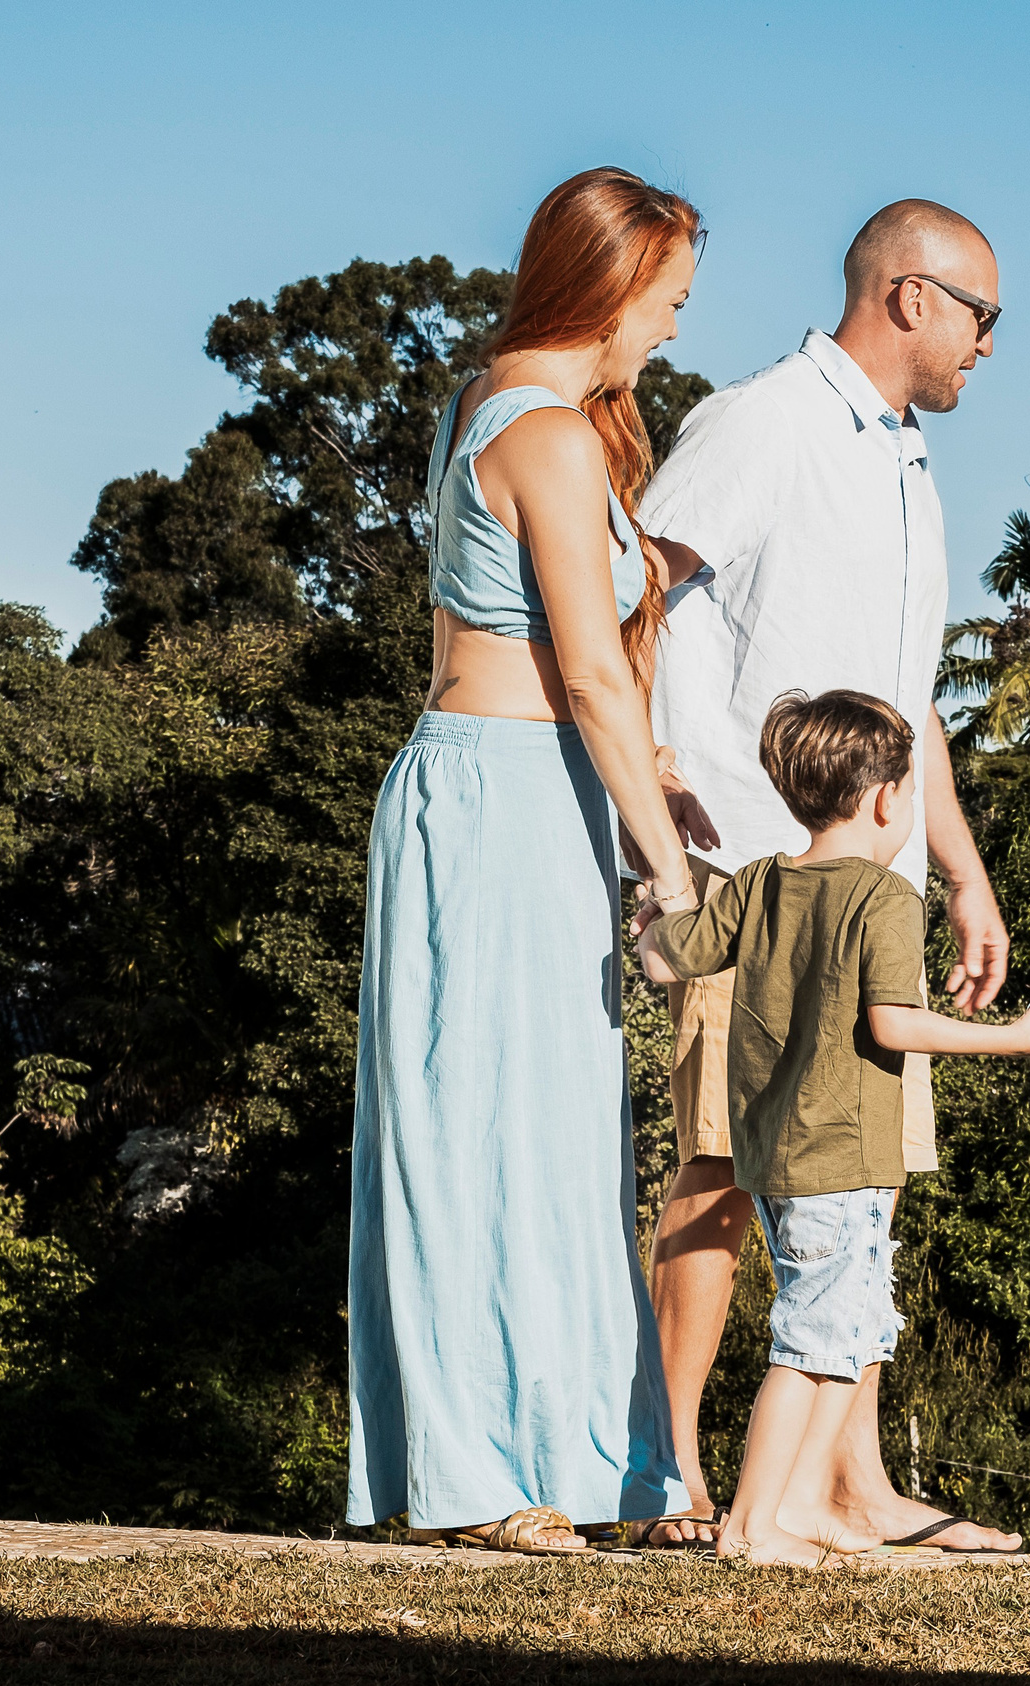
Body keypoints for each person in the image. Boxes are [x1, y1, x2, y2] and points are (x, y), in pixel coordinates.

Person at [632, 199, 1020, 1552]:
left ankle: (851, 1485)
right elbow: (635, 592)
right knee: (725, 1167)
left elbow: (908, 705)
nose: (989, 345)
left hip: (885, 894)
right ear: (911, 296)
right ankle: (667, 1474)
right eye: (984, 316)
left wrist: (963, 872)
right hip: (754, 875)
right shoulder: (761, 422)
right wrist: (657, 779)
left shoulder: (910, 465)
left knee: (862, 1182)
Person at [345, 168, 711, 1553]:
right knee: (473, 1129)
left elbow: (591, 687)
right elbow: (593, 680)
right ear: (612, 290)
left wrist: (641, 784)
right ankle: (473, 1473)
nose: (671, 331)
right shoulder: (543, 431)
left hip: (533, 788)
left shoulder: (517, 414)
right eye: (669, 303)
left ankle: (597, 1464)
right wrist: (668, 863)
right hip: (494, 795)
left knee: (553, 1135)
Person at [634, 691, 1030, 1566]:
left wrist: (657, 915)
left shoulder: (764, 878)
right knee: (811, 1343)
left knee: (847, 1328)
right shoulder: (882, 897)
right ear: (886, 799)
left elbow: (663, 956)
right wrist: (1022, 1037)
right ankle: (752, 1524)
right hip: (842, 1161)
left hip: (775, 1157)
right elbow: (892, 1023)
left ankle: (795, 1508)